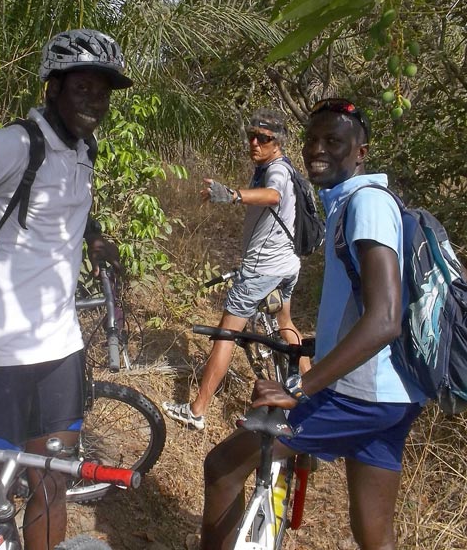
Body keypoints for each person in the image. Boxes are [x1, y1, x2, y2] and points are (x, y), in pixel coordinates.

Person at [200, 98, 426, 550]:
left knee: (222, 466)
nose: (316, 149)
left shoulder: (366, 205)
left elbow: (383, 320)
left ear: (361, 151)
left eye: (333, 141)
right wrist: (317, 344)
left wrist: (302, 387)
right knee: (374, 533)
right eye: (312, 140)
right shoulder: (353, 202)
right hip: (395, 394)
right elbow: (369, 312)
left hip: (361, 394)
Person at [0, 29, 129, 550]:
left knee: (52, 480)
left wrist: (95, 238)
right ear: (52, 88)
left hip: (60, 348)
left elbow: (67, 207)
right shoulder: (12, 144)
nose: (95, 100)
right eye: (82, 88)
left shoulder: (81, 151)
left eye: (103, 91)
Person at [162, 108, 304, 431]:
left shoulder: (278, 171)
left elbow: (273, 195)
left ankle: (197, 410)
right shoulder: (278, 167)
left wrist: (233, 196)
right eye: (251, 136)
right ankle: (312, 393)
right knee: (285, 322)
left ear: (277, 142)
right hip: (286, 264)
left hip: (262, 269)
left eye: (263, 138)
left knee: (226, 332)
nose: (254, 143)